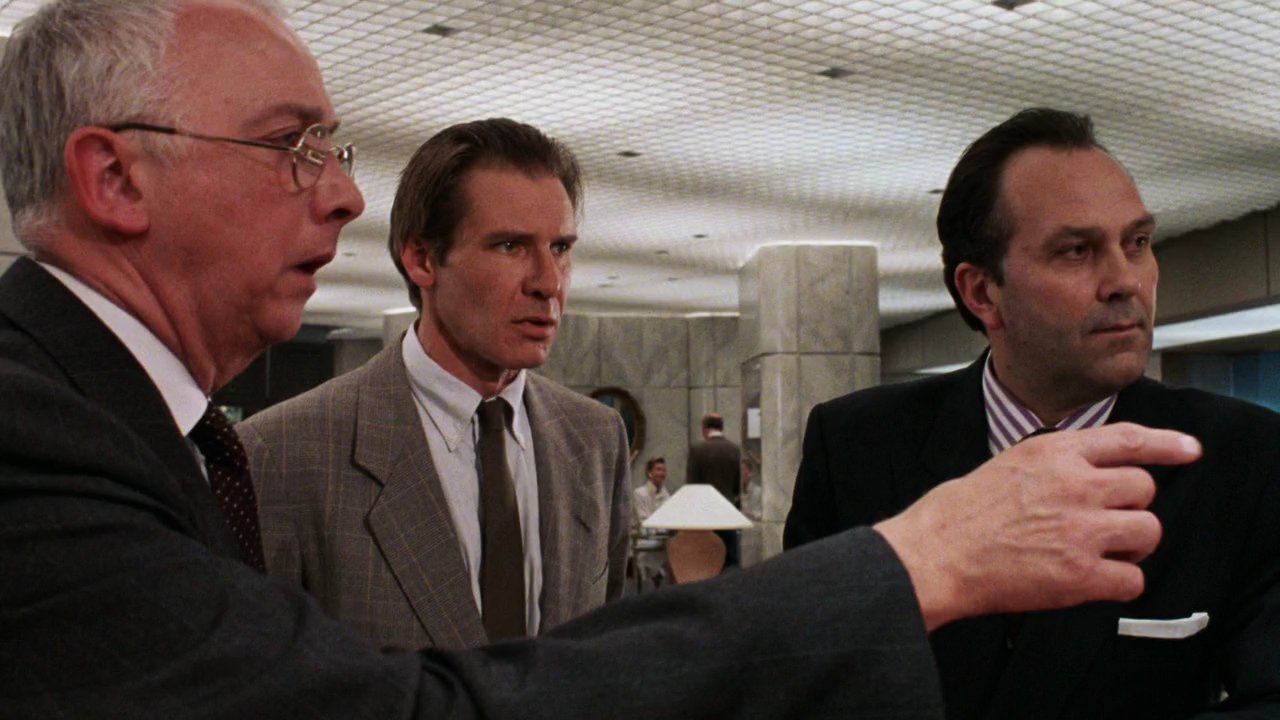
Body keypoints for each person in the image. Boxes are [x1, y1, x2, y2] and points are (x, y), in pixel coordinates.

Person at [0, 4, 1201, 716]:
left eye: (563, 249)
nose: (341, 194)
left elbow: (603, 646)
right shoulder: (57, 441)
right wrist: (909, 562)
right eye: (291, 147)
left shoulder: (583, 436)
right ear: (115, 177)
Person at [785, 107, 1280, 719]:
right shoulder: (856, 446)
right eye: (1076, 251)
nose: (1125, 280)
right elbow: (800, 680)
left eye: (1137, 243)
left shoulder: (1244, 456)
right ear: (981, 292)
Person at [237, 118, 629, 650]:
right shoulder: (283, 454)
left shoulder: (596, 439)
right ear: (422, 258)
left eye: (560, 247)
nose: (548, 282)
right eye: (510, 246)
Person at [687, 412, 742, 565]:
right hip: (728, 512)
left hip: (705, 514)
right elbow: (738, 485)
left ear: (704, 428)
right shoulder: (735, 449)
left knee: (707, 560)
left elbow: (692, 485)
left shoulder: (697, 450)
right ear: (721, 427)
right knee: (730, 557)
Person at [633, 456, 671, 525]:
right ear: (649, 473)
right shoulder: (639, 493)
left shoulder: (666, 495)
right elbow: (642, 520)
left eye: (664, 470)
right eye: (658, 470)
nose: (662, 473)